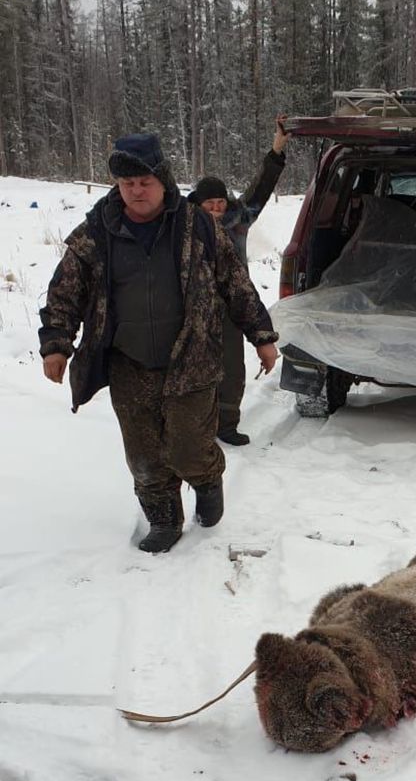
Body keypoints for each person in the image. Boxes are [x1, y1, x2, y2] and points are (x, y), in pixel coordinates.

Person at [39, 132, 279, 553]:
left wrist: (261, 336)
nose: (136, 190)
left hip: (192, 357)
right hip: (128, 360)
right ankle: (164, 520)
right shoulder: (97, 231)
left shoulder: (197, 226)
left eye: (144, 181)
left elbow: (236, 285)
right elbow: (65, 290)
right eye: (126, 182)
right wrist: (57, 342)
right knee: (145, 454)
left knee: (189, 447)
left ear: (163, 180)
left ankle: (207, 479)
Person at [188, 117, 289, 446]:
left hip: (232, 308)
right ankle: (196, 427)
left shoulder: (238, 221)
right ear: (197, 205)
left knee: (231, 370)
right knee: (194, 371)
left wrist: (277, 148)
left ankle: (226, 425)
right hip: (192, 310)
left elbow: (262, 187)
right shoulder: (183, 227)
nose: (216, 209)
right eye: (209, 204)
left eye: (220, 203)